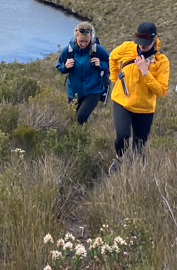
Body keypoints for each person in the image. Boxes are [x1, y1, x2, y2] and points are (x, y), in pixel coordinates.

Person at [108, 21, 170, 163]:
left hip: (144, 108)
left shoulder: (162, 61)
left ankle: (136, 172)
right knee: (122, 136)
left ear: (155, 39)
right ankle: (119, 161)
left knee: (139, 147)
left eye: (146, 42)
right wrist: (114, 78)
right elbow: (113, 57)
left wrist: (145, 72)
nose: (142, 45)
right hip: (121, 101)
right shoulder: (127, 48)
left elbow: (160, 90)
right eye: (140, 41)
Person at [56, 22, 110, 125]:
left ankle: (81, 137)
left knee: (80, 118)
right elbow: (59, 66)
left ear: (91, 37)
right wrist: (65, 66)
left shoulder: (97, 50)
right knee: (72, 120)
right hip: (73, 92)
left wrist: (101, 64)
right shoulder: (68, 51)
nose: (83, 44)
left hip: (93, 91)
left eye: (86, 41)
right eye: (81, 41)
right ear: (76, 37)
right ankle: (78, 138)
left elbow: (112, 63)